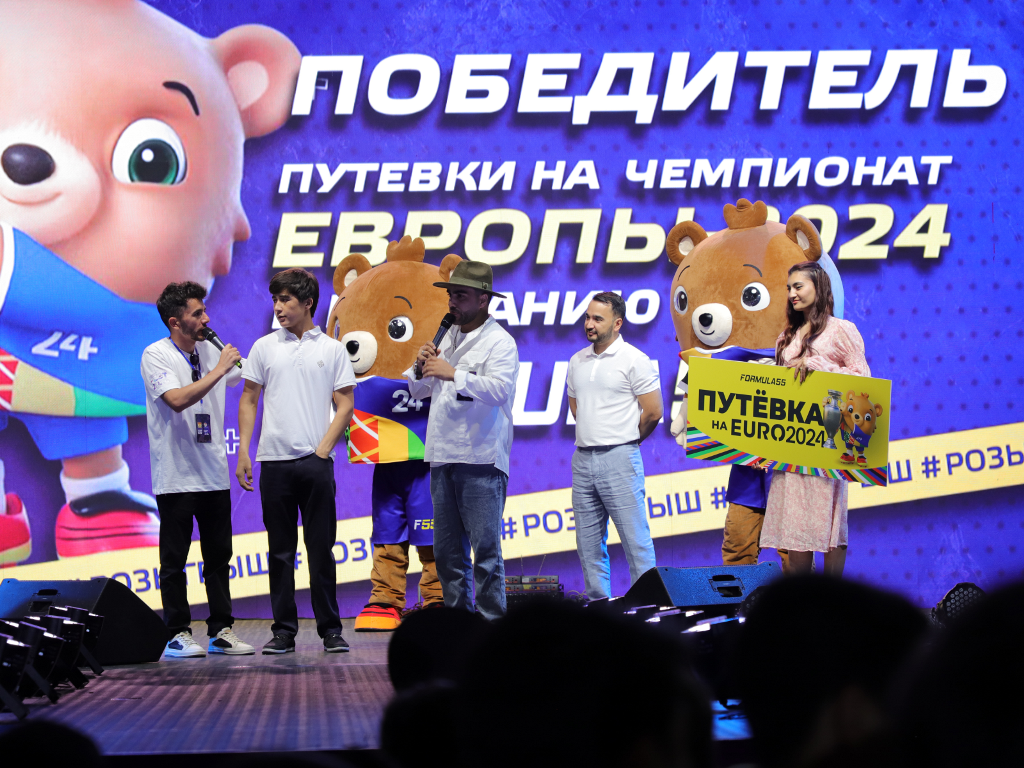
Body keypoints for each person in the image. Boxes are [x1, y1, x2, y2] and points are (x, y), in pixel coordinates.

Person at [236, 268, 356, 654]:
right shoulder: (263, 347)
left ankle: (331, 630)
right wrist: (244, 450)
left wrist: (322, 451)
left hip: (316, 463)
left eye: (285, 299)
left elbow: (345, 404)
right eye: (275, 299)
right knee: (280, 552)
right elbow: (249, 399)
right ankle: (284, 631)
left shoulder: (332, 350)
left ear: (307, 303)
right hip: (273, 464)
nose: (278, 307)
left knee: (321, 551)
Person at [141, 281, 254, 657]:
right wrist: (219, 370)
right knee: (174, 560)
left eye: (205, 311)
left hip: (214, 473)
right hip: (176, 476)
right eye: (197, 313)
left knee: (219, 558)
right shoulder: (156, 355)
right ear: (175, 322)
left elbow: (249, 377)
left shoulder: (211, 349)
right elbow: (176, 399)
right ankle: (177, 633)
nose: (206, 319)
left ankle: (221, 630)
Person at [405, 261, 518, 621]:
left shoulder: (500, 342)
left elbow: (500, 390)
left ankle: (492, 625)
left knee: (485, 552)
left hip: (481, 458)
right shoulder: (445, 335)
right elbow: (418, 390)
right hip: (442, 455)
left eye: (461, 295)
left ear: (483, 299)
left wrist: (454, 374)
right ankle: (457, 626)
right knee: (448, 552)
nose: (452, 302)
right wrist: (420, 365)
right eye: (451, 294)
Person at [760, 262, 869, 575]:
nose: (792, 294)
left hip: (828, 441)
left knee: (829, 525)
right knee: (795, 528)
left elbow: (864, 379)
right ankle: (802, 600)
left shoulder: (841, 329)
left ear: (818, 287)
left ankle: (832, 599)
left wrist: (823, 368)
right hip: (793, 442)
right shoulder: (787, 336)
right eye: (789, 288)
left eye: (799, 286)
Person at [566, 292, 662, 599]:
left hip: (620, 458)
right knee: (588, 546)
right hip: (583, 460)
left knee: (636, 543)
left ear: (617, 323)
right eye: (587, 317)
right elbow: (577, 409)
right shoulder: (576, 361)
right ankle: (598, 608)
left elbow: (653, 412)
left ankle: (647, 609)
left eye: (598, 319)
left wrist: (625, 441)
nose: (589, 324)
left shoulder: (634, 359)